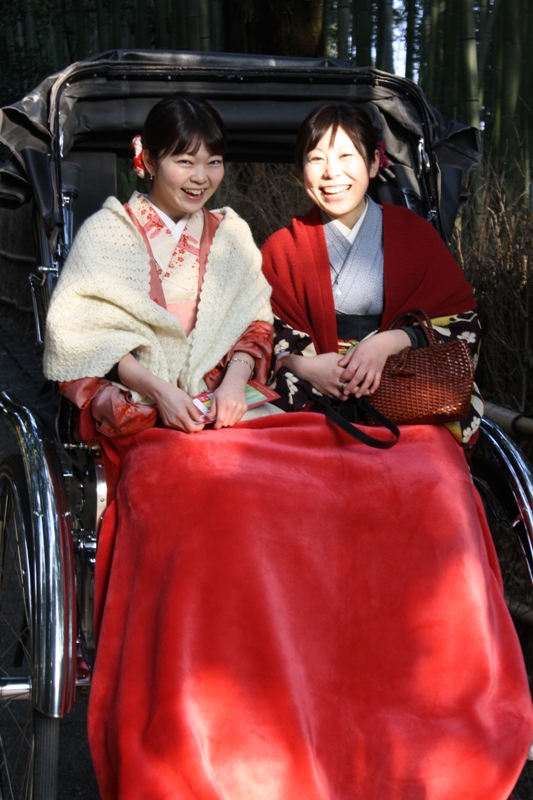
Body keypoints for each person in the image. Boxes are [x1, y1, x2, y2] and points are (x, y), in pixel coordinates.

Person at [43, 94, 532, 800]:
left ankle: (419, 695)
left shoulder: (247, 233)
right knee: (219, 494)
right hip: (182, 406)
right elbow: (101, 330)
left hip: (345, 403)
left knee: (438, 483)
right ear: (143, 160)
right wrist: (300, 366)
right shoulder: (128, 233)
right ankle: (217, 713)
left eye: (213, 159)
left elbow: (255, 328)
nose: (202, 172)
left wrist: (375, 343)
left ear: (375, 162)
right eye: (186, 157)